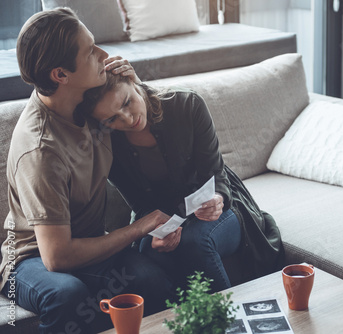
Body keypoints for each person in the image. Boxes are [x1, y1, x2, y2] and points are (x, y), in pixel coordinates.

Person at [0, 8, 177, 333]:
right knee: (67, 293)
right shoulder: (41, 148)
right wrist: (139, 228)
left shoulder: (87, 101)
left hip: (88, 240)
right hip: (30, 257)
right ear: (60, 75)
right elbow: (57, 257)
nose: (104, 54)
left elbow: (143, 115)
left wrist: (131, 82)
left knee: (151, 278)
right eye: (90, 51)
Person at [76, 72, 285, 292]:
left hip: (221, 205)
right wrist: (154, 234)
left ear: (133, 82)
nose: (127, 119)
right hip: (164, 215)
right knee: (150, 251)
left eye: (127, 102)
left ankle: (222, 323)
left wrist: (217, 199)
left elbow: (216, 175)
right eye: (111, 119)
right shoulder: (109, 144)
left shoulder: (186, 104)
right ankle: (183, 322)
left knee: (195, 241)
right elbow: (140, 205)